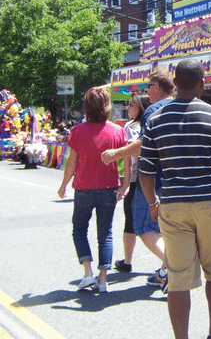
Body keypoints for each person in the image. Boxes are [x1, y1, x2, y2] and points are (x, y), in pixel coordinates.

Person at [139, 59, 211, 339]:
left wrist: (152, 202)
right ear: (202, 84)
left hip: (173, 205)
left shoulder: (156, 120)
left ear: (174, 84)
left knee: (178, 277)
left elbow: (145, 171)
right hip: (210, 203)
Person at [101, 71, 174, 290]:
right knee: (166, 230)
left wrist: (116, 153)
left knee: (143, 227)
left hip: (153, 179)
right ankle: (165, 272)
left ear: (157, 88)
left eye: (148, 86)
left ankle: (174, 268)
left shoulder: (153, 110)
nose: (147, 91)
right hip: (178, 181)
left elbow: (144, 145)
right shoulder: (184, 106)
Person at [57, 87, 130, 293]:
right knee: (105, 233)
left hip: (83, 188)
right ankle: (103, 279)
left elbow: (72, 162)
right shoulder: (118, 131)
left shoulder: (77, 131)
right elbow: (127, 160)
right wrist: (125, 185)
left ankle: (88, 271)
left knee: (79, 229)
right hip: (109, 188)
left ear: (86, 107)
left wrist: (63, 185)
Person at [114, 94, 151, 273]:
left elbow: (128, 158)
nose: (128, 107)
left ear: (141, 107)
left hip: (137, 179)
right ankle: (165, 266)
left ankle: (127, 261)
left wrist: (125, 184)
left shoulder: (130, 127)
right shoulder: (152, 124)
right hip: (154, 178)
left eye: (131, 104)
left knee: (131, 221)